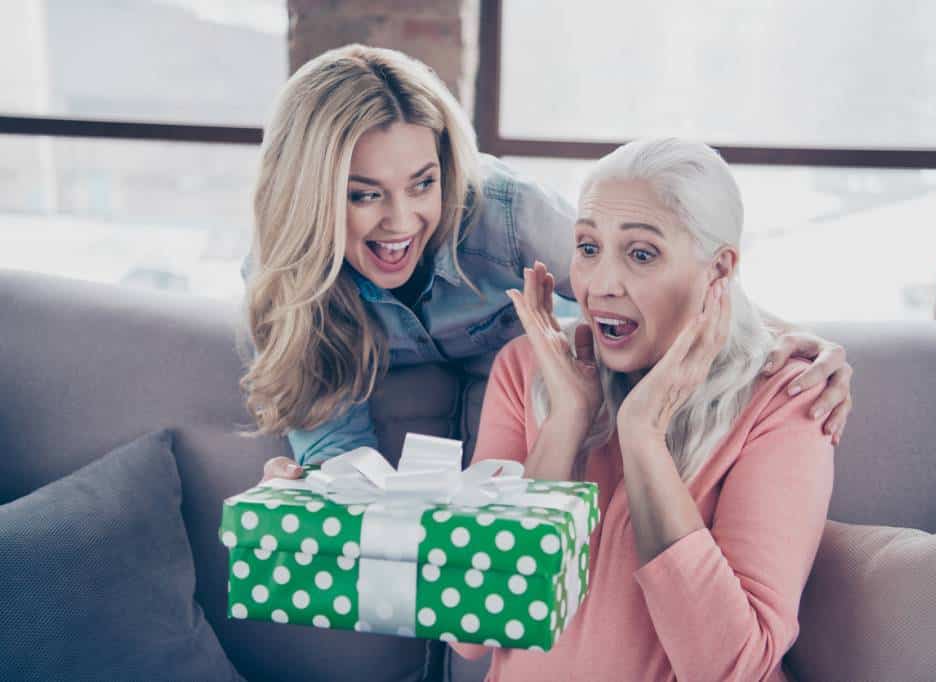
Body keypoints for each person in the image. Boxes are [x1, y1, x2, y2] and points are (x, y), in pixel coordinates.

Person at [239, 45, 852, 488]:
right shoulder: (288, 279)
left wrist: (785, 338)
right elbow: (337, 451)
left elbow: (649, 284)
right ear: (310, 197)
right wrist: (317, 489)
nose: (401, 221)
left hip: (557, 385)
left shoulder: (502, 212)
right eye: (363, 194)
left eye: (422, 184)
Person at [449, 139, 834, 682]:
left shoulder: (785, 400)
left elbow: (731, 669)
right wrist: (564, 425)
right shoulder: (528, 369)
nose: (602, 284)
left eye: (641, 253)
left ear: (718, 270)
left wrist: (643, 436)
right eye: (587, 247)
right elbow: (469, 627)